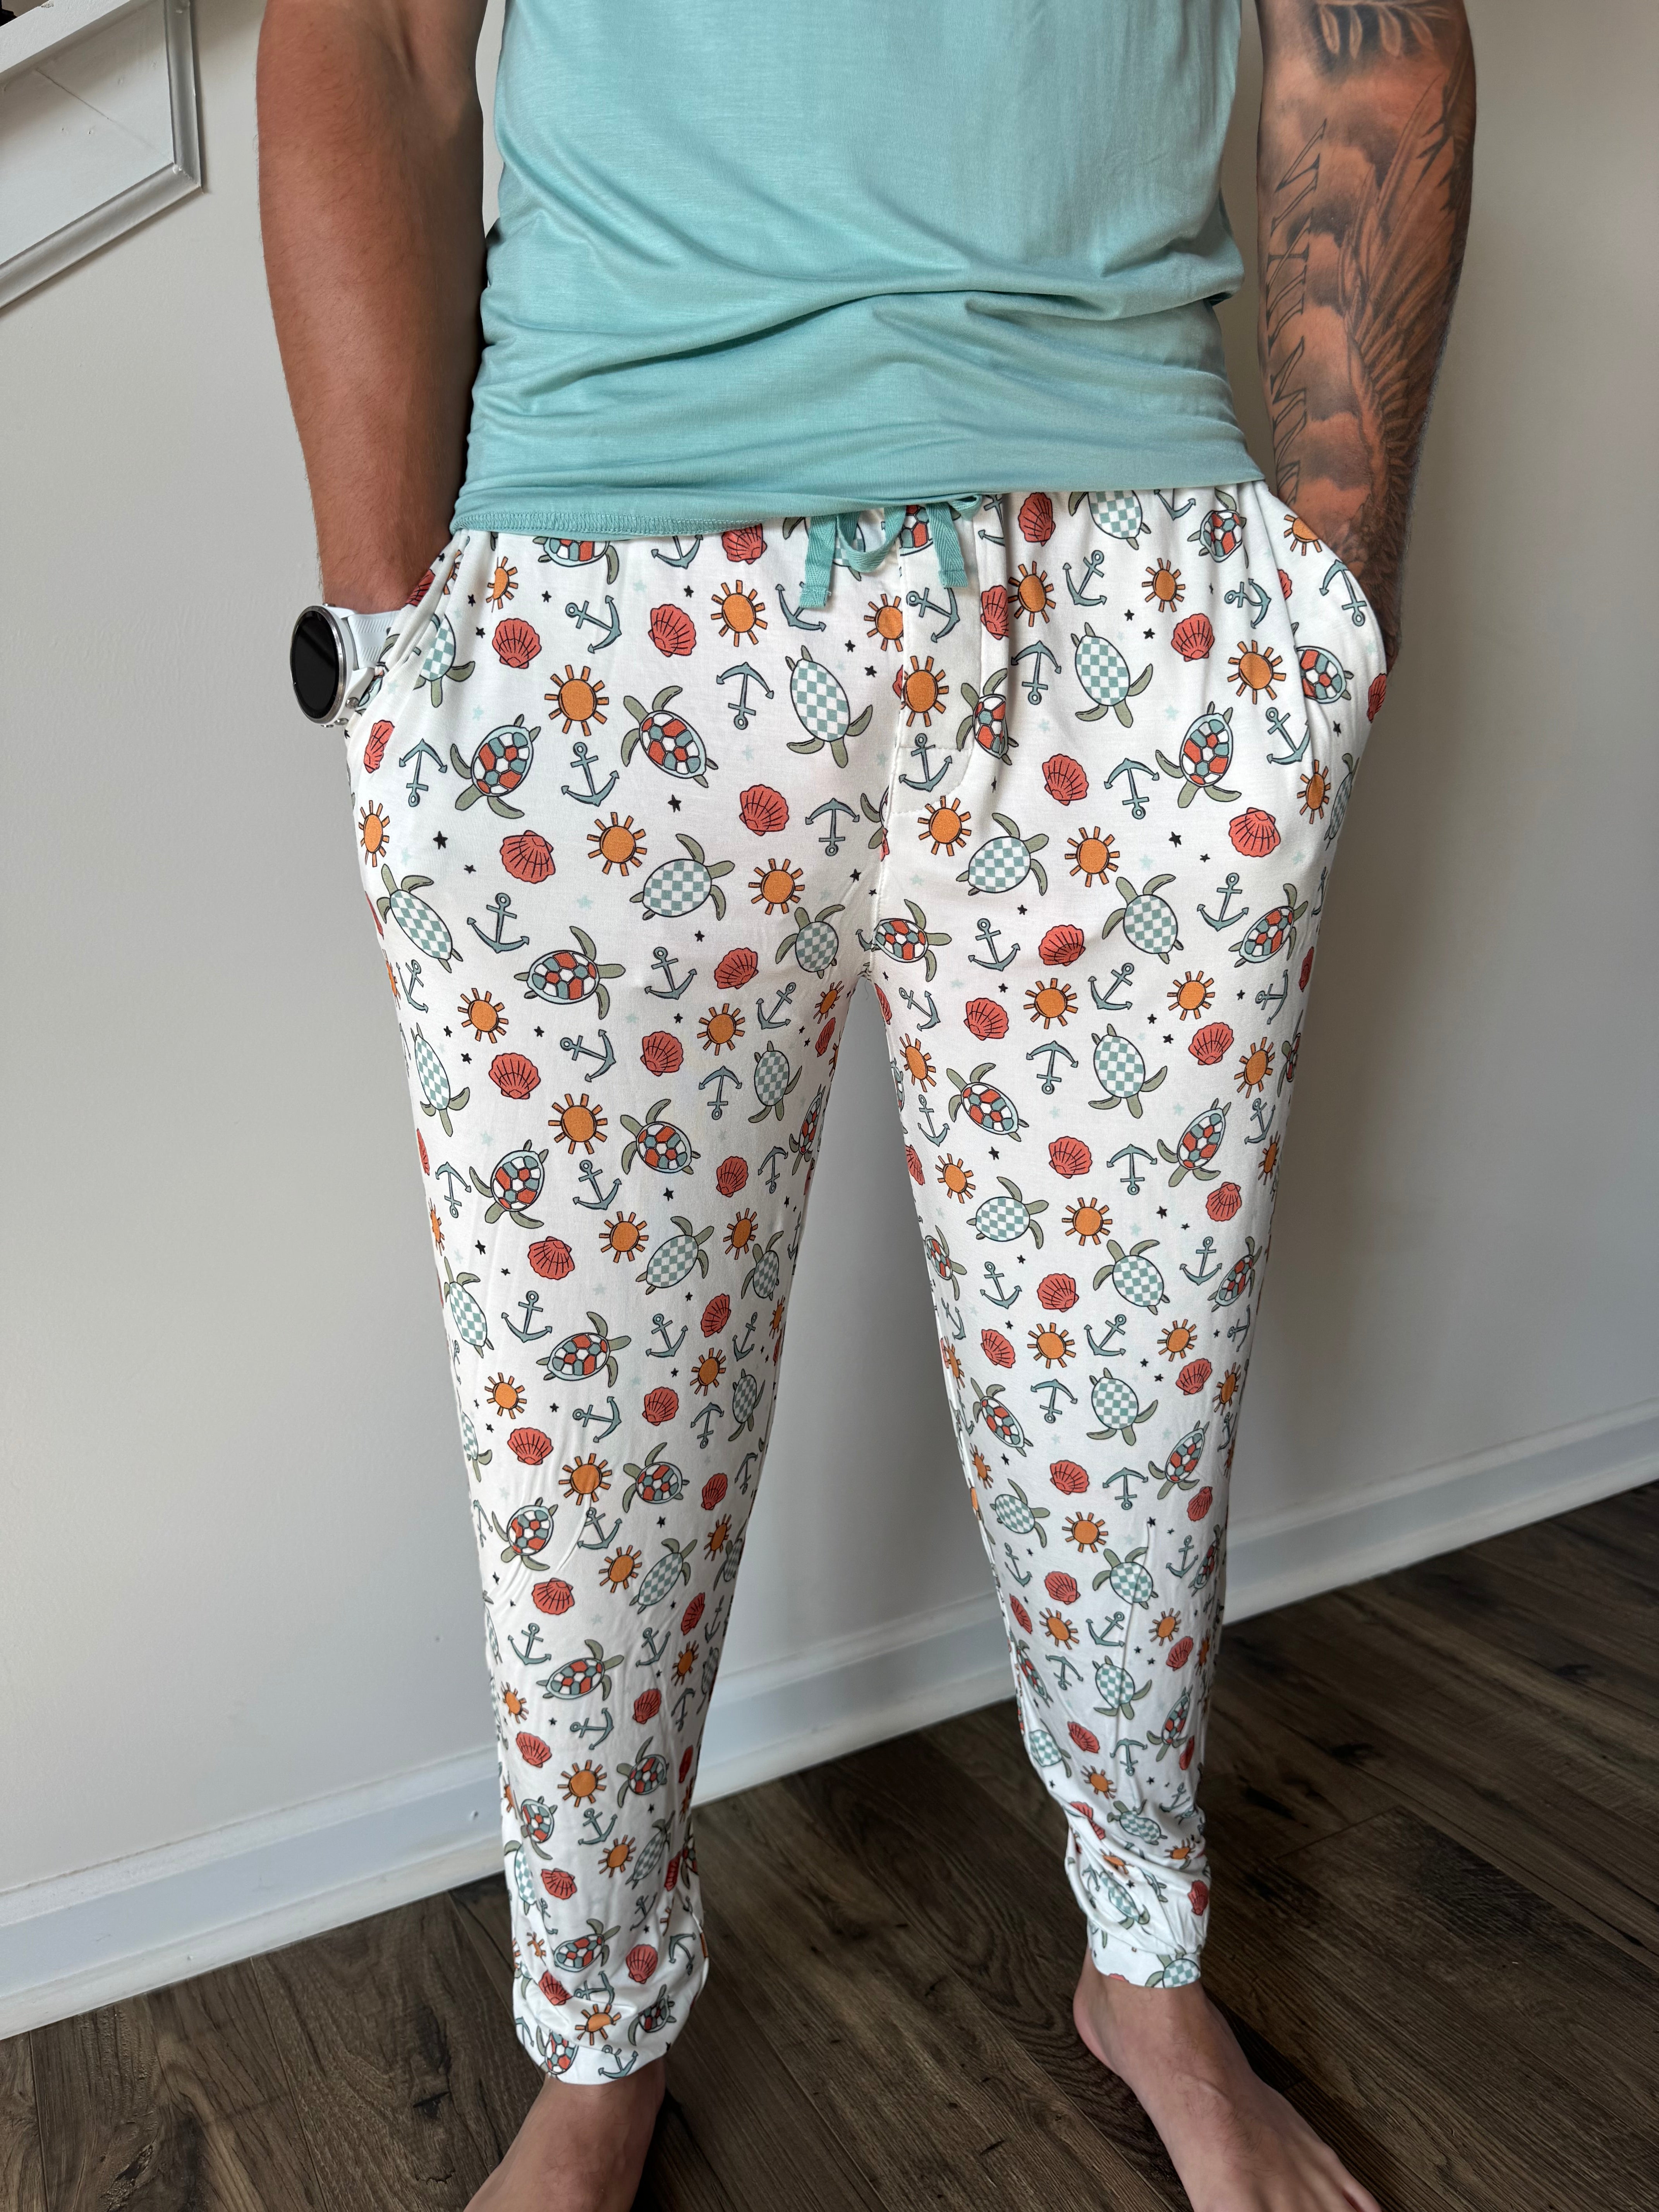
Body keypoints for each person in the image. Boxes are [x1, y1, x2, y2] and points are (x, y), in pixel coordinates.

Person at [258, 3, 1473, 2205]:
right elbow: (377, 36)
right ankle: (596, 2047)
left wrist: (1321, 620)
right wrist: (397, 647)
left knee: (1133, 1418)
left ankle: (1150, 1975)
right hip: (595, 626)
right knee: (586, 1460)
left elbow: (1358, 27)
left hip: (1131, 593)